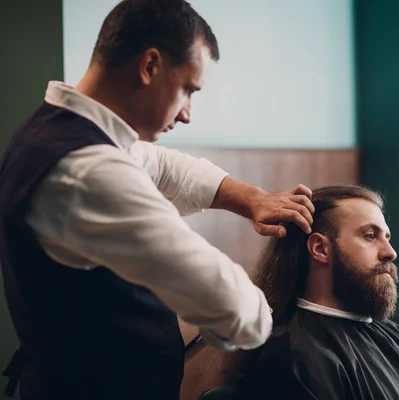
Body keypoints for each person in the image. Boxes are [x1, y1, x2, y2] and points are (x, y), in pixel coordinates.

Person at [0, 1, 315, 399]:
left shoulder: (58, 132)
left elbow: (165, 167)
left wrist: (253, 199)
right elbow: (234, 311)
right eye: (188, 89)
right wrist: (267, 304)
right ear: (150, 65)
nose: (187, 114)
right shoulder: (88, 173)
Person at [200, 185, 399, 400]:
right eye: (370, 236)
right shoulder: (295, 359)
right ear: (320, 248)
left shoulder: (391, 333)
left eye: (387, 237)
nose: (390, 252)